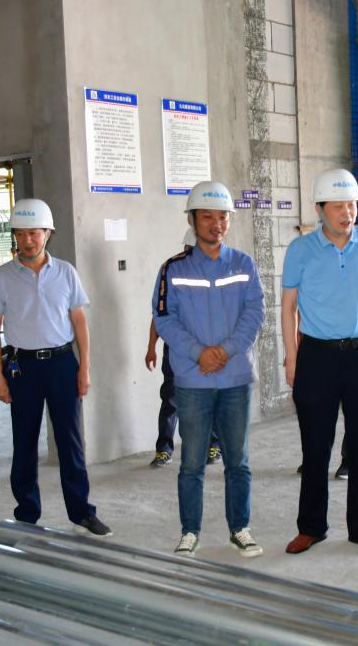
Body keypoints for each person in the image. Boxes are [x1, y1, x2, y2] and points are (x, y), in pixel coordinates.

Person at [0, 198, 111, 537]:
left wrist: (84, 368)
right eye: (20, 234)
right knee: (24, 443)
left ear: (47, 234)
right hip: (21, 368)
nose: (27, 241)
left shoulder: (66, 272)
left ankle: (81, 512)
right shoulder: (1, 277)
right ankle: (26, 513)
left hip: (61, 363)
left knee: (71, 442)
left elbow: (79, 322)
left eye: (34, 233)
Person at [282, 168, 358, 555]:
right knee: (315, 446)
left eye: (351, 205)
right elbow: (288, 307)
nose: (347, 213)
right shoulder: (300, 250)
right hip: (316, 356)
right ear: (319, 209)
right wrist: (291, 357)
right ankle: (311, 527)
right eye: (338, 206)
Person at [152, 181, 265, 558]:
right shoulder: (173, 269)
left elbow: (255, 313)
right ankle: (189, 532)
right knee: (192, 463)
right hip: (193, 380)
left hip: (235, 378)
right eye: (207, 217)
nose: (216, 224)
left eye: (223, 217)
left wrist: (226, 350)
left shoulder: (243, 264)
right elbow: (164, 319)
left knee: (238, 461)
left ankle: (240, 529)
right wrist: (199, 353)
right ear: (192, 220)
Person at [147, 230, 221, 468]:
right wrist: (151, 347)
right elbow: (159, 314)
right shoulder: (171, 273)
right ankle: (164, 449)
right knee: (171, 399)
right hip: (177, 350)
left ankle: (213, 444)